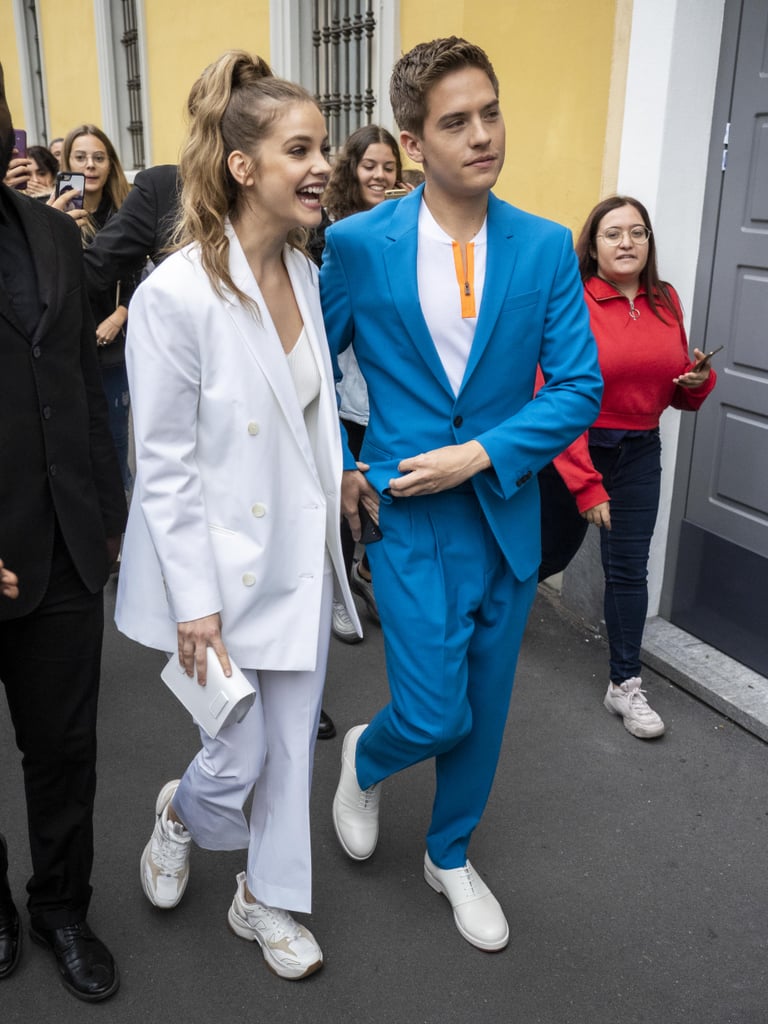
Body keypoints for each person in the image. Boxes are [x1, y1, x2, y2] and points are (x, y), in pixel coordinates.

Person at [319, 36, 603, 952]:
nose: (482, 135)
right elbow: (302, 370)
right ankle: (365, 758)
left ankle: (449, 853)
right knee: (435, 707)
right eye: (455, 122)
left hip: (504, 510)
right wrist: (340, 464)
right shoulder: (357, 243)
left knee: (484, 705)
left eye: (490, 112)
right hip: (406, 513)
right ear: (412, 141)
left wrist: (481, 454)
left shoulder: (547, 245)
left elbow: (576, 387)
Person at [115, 50, 359, 981]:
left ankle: (267, 899)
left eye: (324, 146)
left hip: (295, 557)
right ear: (243, 165)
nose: (322, 165)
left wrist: (339, 476)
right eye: (301, 148)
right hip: (214, 571)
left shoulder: (303, 270)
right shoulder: (174, 295)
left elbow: (305, 416)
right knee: (242, 745)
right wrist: (193, 604)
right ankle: (182, 812)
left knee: (291, 747)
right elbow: (165, 466)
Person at [0, 62, 126, 1001]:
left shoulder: (50, 230)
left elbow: (83, 387)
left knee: (66, 749)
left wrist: (109, 522)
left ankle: (61, 908)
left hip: (68, 554)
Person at [538, 195, 717, 739]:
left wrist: (696, 380)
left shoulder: (666, 300)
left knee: (627, 568)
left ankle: (625, 686)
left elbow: (677, 385)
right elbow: (551, 393)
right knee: (544, 554)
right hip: (578, 446)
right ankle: (483, 626)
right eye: (613, 233)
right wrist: (585, 483)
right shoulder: (573, 300)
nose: (626, 243)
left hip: (640, 449)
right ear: (592, 245)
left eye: (637, 232)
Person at [314, 124, 406, 644]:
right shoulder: (338, 233)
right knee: (346, 496)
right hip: (350, 395)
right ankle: (339, 594)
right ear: (353, 169)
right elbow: (328, 329)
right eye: (369, 165)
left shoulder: (413, 222)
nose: (379, 174)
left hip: (389, 399)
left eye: (388, 166)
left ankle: (368, 578)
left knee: (384, 497)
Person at [59, 125, 137, 494]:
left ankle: (123, 536)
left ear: (110, 165)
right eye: (80, 157)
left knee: (115, 442)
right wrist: (54, 227)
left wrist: (121, 314)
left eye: (98, 157)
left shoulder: (126, 213)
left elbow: (145, 273)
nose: (89, 166)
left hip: (112, 350)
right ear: (67, 163)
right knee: (73, 446)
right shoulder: (50, 211)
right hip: (65, 349)